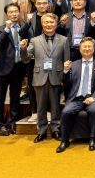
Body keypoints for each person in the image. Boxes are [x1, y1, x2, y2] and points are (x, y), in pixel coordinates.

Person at [20, 13, 70, 143]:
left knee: (55, 106)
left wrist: (65, 73)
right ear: (42, 24)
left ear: (56, 24)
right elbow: (25, 59)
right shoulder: (34, 40)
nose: (49, 25)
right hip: (39, 76)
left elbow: (67, 60)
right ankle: (41, 131)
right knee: (40, 107)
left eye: (51, 22)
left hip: (56, 76)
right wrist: (23, 49)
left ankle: (55, 129)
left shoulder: (64, 40)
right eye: (46, 22)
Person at [57, 37, 95, 153]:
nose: (87, 49)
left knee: (94, 110)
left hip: (93, 98)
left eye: (89, 46)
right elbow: (66, 84)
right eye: (84, 47)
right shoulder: (73, 65)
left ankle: (93, 138)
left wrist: (94, 97)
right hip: (76, 98)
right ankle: (64, 140)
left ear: (94, 49)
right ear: (80, 49)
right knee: (66, 111)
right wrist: (65, 71)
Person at [0, 3, 29, 135]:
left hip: (18, 68)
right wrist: (7, 29)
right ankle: (1, 125)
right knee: (0, 99)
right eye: (11, 12)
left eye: (16, 11)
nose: (14, 14)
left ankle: (13, 122)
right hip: (2, 69)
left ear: (19, 13)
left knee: (15, 98)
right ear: (6, 14)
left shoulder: (24, 29)